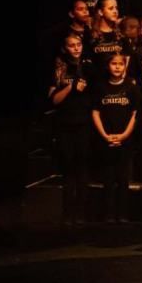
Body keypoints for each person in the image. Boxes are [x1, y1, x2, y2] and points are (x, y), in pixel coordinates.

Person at [50, 35, 93, 225]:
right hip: (64, 124)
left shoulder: (88, 67)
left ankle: (82, 213)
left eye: (78, 45)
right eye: (72, 46)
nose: (76, 48)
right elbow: (54, 100)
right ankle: (68, 214)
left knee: (82, 168)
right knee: (68, 169)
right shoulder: (59, 69)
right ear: (65, 48)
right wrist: (70, 87)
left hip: (84, 123)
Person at [91, 53, 140, 223]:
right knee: (108, 178)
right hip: (106, 138)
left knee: (123, 178)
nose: (117, 66)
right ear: (108, 66)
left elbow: (135, 112)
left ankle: (123, 214)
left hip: (125, 139)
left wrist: (125, 135)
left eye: (120, 64)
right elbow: (95, 112)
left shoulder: (131, 87)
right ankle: (109, 214)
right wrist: (105, 135)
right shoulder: (101, 87)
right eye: (113, 63)